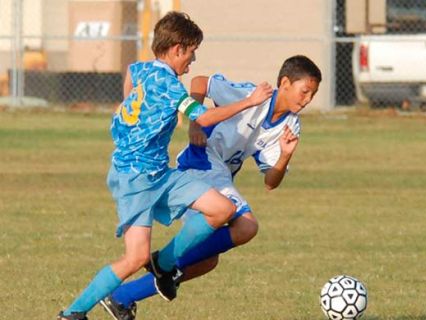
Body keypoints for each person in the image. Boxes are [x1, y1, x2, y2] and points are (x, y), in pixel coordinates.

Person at [57, 11, 273, 320]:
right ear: (176, 49)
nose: (193, 60)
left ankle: (165, 264)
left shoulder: (147, 70)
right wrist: (250, 102)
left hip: (159, 172)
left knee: (222, 209)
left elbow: (131, 73)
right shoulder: (169, 85)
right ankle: (72, 314)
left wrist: (130, 105)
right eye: (192, 51)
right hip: (136, 178)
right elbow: (203, 117)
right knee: (134, 258)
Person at [99, 55, 322, 320]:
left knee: (207, 260)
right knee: (246, 226)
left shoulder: (291, 125)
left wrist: (285, 155)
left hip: (219, 175)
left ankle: (122, 297)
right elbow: (201, 82)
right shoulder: (251, 94)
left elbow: (270, 183)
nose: (307, 99)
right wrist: (196, 122)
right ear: (285, 83)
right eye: (304, 91)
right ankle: (163, 262)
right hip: (201, 162)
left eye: (313, 94)